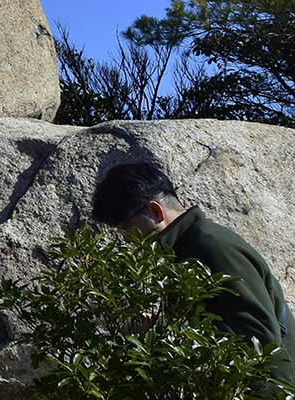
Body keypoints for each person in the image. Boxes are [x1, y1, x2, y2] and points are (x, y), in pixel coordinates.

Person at [91, 160, 295, 389]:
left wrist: (163, 331)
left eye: (126, 227)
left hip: (268, 390)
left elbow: (259, 335)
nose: (128, 238)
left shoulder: (211, 245)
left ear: (156, 211)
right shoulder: (181, 250)